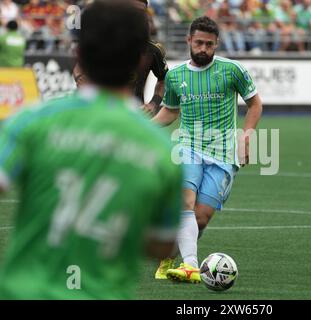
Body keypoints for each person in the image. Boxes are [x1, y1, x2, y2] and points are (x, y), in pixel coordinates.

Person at [0, 0, 181, 299]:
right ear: (137, 60)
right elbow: (161, 245)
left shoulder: (31, 122)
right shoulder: (161, 152)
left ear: (78, 53)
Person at [152, 16, 263, 283]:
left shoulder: (232, 70)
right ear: (189, 40)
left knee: (200, 218)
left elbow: (255, 104)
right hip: (187, 147)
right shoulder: (176, 76)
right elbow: (170, 111)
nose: (203, 48)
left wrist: (246, 137)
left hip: (224, 153)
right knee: (185, 202)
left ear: (217, 44)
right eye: (199, 42)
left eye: (209, 44)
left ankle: (170, 253)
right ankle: (190, 265)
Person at [73, 0, 169, 117]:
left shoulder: (152, 50)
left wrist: (154, 104)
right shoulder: (101, 42)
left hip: (133, 116)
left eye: (140, 12)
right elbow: (78, 67)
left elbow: (164, 80)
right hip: (95, 113)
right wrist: (80, 78)